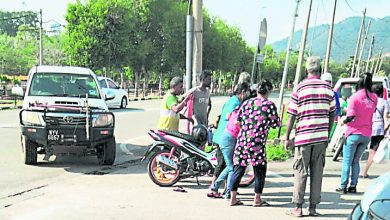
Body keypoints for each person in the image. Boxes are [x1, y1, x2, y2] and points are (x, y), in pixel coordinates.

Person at [285, 56, 335, 217]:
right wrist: (327, 135)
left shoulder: (300, 88)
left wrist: (287, 137)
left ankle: (298, 208)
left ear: (307, 70)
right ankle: (312, 208)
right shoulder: (328, 89)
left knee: (301, 171)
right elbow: (332, 115)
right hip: (321, 138)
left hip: (303, 137)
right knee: (317, 173)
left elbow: (292, 115)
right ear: (320, 71)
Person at [229, 80, 280, 207]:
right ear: (268, 91)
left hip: (242, 140)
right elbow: (275, 124)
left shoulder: (246, 103)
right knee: (259, 170)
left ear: (257, 90)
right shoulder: (269, 105)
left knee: (238, 168)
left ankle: (233, 198)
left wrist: (247, 129)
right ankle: (257, 199)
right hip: (257, 142)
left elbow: (237, 122)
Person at [336, 72, 378, 195]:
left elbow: (351, 116)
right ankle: (353, 186)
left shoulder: (354, 97)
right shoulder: (374, 98)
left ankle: (343, 185)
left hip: (353, 133)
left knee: (347, 161)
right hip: (366, 134)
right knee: (356, 161)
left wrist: (343, 121)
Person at [207, 84, 250, 199]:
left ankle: (224, 189)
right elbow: (228, 115)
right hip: (226, 136)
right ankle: (219, 189)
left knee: (226, 165)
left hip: (223, 135)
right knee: (226, 165)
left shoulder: (231, 100)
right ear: (242, 92)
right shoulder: (236, 103)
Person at [362, 84, 389, 178]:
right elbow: (385, 117)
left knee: (372, 150)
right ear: (382, 92)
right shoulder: (384, 103)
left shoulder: (369, 102)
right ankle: (365, 172)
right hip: (380, 129)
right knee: (375, 151)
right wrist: (386, 128)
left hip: (370, 128)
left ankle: (365, 171)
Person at [321, 72, 340, 140]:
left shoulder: (319, 91)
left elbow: (337, 108)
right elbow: (337, 108)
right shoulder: (333, 93)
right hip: (327, 123)